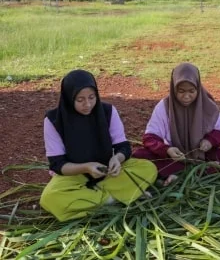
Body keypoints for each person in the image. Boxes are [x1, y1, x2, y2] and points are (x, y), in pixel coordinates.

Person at [40, 70, 157, 222]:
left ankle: (94, 201)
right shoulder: (53, 120)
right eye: (80, 100)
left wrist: (117, 159)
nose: (87, 104)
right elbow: (57, 164)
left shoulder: (107, 111)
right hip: (75, 175)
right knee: (49, 198)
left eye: (91, 97)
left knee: (148, 168)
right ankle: (112, 199)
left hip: (108, 172)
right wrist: (86, 167)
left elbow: (124, 147)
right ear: (69, 98)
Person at [133, 63, 220, 186]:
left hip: (204, 157)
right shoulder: (164, 107)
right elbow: (150, 138)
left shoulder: (208, 106)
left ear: (198, 88)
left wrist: (210, 141)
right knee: (138, 156)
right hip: (175, 158)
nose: (186, 96)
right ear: (173, 88)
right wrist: (167, 150)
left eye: (191, 91)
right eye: (181, 91)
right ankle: (198, 173)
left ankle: (186, 174)